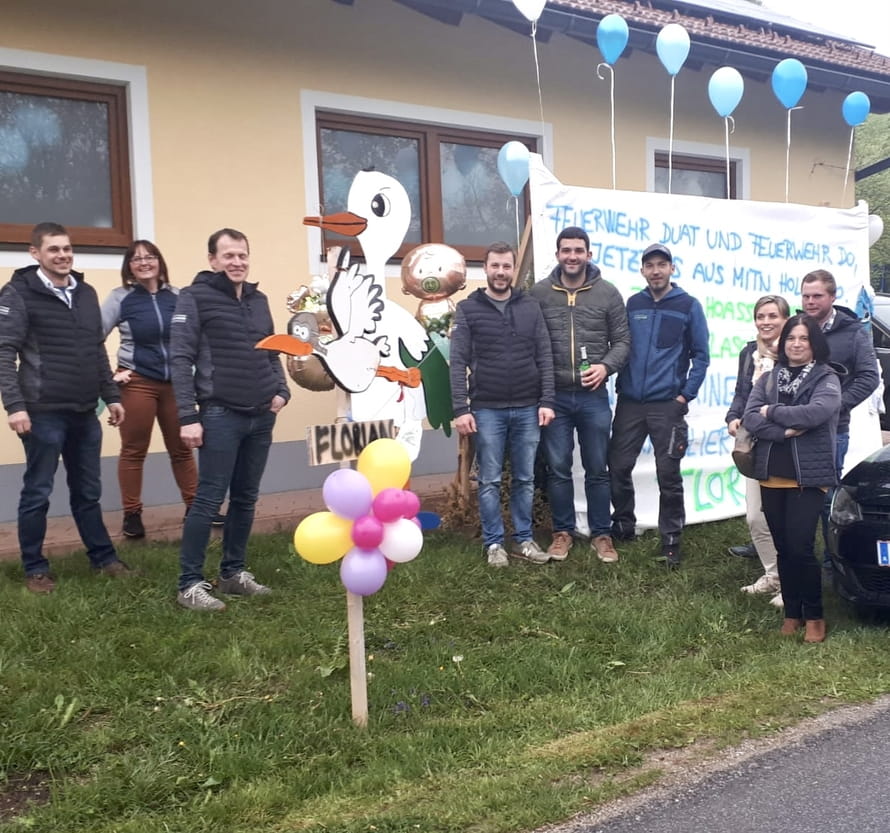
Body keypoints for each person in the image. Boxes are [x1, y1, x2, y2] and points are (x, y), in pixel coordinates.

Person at [0, 222, 134, 593]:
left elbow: (95, 351)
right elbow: (4, 352)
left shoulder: (87, 293)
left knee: (88, 490)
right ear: (35, 253)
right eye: (53, 249)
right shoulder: (18, 293)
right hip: (41, 411)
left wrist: (113, 397)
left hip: (83, 410)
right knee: (38, 491)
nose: (62, 255)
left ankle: (104, 558)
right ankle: (35, 568)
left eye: (66, 249)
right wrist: (14, 405)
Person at [170, 228, 290, 610]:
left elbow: (272, 349)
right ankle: (189, 583)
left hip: (260, 415)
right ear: (212, 260)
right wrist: (188, 415)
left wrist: (281, 390)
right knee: (208, 499)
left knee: (246, 497)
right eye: (228, 256)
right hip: (219, 413)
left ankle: (232, 573)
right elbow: (180, 357)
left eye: (242, 255)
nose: (236, 262)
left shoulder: (259, 299)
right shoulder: (194, 297)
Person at [450, 241, 555, 567]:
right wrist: (461, 409)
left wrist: (547, 400)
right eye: (495, 266)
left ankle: (524, 540)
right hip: (487, 409)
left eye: (506, 266)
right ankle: (494, 543)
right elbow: (457, 362)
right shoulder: (469, 309)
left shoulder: (530, 307)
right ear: (486, 268)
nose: (500, 272)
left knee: (525, 479)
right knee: (490, 480)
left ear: (513, 270)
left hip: (527, 407)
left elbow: (545, 355)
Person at [530, 226, 630, 563]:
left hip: (593, 397)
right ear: (557, 254)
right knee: (558, 468)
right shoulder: (539, 293)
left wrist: (605, 367)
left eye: (578, 250)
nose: (572, 256)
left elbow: (623, 342)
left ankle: (602, 534)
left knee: (597, 468)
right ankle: (562, 533)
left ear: (589, 253)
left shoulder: (608, 294)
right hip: (553, 396)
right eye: (566, 250)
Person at [608, 243, 710, 568]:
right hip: (630, 404)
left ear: (671, 268)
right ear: (642, 270)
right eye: (649, 265)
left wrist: (684, 396)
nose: (655, 270)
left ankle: (671, 541)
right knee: (619, 466)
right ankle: (623, 526)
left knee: (668, 474)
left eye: (661, 265)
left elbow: (702, 356)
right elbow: (620, 345)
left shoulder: (688, 305)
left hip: (667, 405)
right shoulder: (632, 304)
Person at [743, 315, 841, 643]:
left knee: (800, 547)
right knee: (784, 549)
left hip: (808, 477)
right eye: (790, 338)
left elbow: (815, 413)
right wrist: (783, 430)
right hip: (771, 474)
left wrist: (771, 412)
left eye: (803, 338)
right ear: (783, 343)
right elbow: (749, 417)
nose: (796, 344)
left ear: (814, 344)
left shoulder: (827, 378)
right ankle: (792, 613)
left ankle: (814, 616)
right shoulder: (769, 379)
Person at [102, 240, 198, 538]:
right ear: (128, 266)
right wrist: (110, 379)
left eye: (150, 257)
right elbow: (91, 337)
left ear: (160, 262)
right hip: (138, 383)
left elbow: (194, 337)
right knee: (133, 451)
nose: (144, 262)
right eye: (136, 258)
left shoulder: (180, 296)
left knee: (182, 449)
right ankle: (132, 515)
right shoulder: (120, 297)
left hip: (176, 384)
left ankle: (195, 510)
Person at [799, 269, 879, 561]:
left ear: (832, 297)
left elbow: (869, 377)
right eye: (806, 295)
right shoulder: (797, 327)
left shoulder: (853, 331)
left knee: (824, 497)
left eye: (817, 295)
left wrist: (836, 405)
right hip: (794, 426)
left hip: (832, 430)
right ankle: (784, 552)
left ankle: (833, 561)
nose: (810, 301)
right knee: (787, 493)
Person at [725, 295, 790, 607]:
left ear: (785, 320)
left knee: (784, 517)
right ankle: (773, 574)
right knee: (755, 517)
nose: (766, 322)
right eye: (761, 316)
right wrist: (732, 417)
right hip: (754, 445)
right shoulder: (749, 352)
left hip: (785, 444)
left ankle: (790, 581)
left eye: (772, 316)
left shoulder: (795, 351)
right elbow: (742, 393)